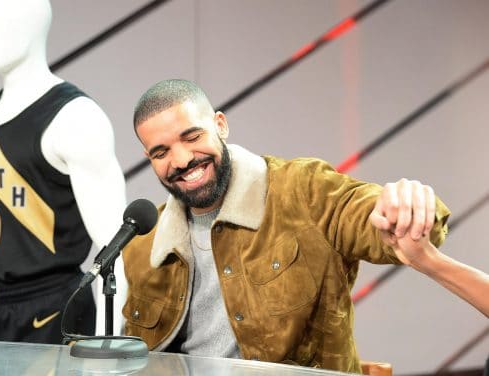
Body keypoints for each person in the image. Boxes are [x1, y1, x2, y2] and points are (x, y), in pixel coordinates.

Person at [120, 78, 454, 373]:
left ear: (220, 125)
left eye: (192, 136)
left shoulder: (304, 190)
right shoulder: (142, 244)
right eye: (160, 152)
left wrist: (409, 207)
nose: (180, 160)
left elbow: (377, 217)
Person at [0, 0, 126, 344]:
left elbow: (115, 252)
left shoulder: (75, 117)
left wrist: (107, 351)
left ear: (35, 23)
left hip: (51, 319)